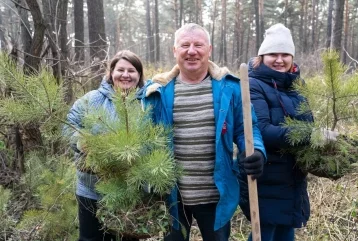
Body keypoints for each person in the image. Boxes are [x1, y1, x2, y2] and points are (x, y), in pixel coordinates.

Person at [139, 23, 266, 241]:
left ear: (209, 49)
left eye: (198, 45)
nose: (191, 51)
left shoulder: (230, 88)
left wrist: (255, 152)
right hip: (171, 197)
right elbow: (143, 139)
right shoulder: (156, 92)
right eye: (185, 45)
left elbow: (248, 128)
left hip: (216, 195)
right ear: (175, 51)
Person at [238, 23, 318, 241]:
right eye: (273, 54)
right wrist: (308, 135)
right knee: (264, 233)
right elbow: (261, 130)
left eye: (285, 54)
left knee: (285, 232)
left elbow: (308, 122)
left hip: (293, 176)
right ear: (262, 56)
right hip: (266, 175)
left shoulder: (297, 86)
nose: (279, 60)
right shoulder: (252, 84)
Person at [64, 50, 144, 241]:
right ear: (111, 73)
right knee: (91, 238)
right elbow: (68, 127)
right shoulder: (91, 99)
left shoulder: (147, 102)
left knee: (126, 237)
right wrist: (82, 141)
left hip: (131, 190)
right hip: (91, 189)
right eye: (120, 70)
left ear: (139, 75)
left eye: (131, 70)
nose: (125, 75)